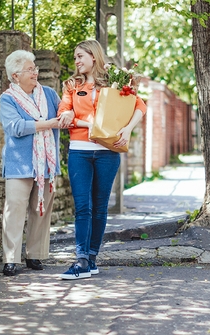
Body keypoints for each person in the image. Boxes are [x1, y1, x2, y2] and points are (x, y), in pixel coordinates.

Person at [57, 40, 146, 280]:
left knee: (99, 207)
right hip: (79, 151)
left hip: (108, 152)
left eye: (80, 56)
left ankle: (92, 258)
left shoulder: (114, 81)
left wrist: (127, 130)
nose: (76, 61)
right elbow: (64, 116)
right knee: (82, 207)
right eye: (75, 57)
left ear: (93, 56)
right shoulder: (72, 86)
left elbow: (139, 105)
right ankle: (81, 259)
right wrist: (82, 120)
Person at [0, 50, 61, 276]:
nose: (36, 72)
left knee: (40, 210)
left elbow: (65, 114)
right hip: (19, 163)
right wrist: (46, 124)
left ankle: (35, 255)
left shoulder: (50, 95)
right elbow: (15, 128)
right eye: (30, 69)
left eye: (35, 68)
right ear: (16, 75)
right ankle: (10, 258)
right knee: (14, 209)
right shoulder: (7, 99)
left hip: (47, 164)